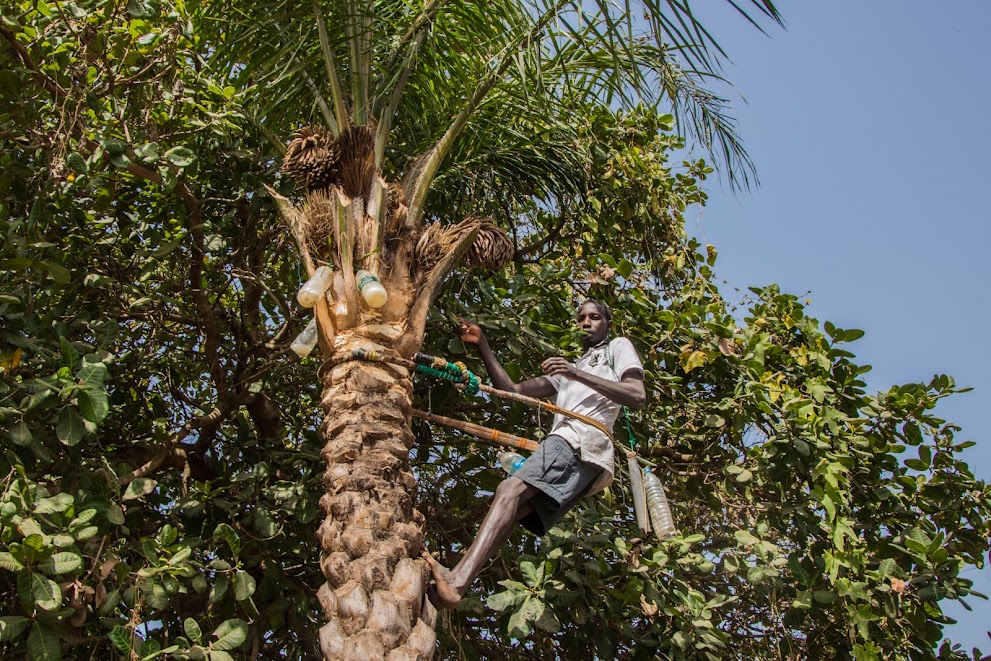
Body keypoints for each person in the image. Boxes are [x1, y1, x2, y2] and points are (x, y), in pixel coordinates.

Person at [423, 300, 646, 608]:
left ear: (608, 323)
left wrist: (574, 374)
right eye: (581, 317)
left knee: (508, 489)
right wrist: (482, 343)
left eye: (595, 317)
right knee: (513, 510)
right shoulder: (570, 370)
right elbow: (511, 389)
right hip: (581, 455)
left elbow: (636, 395)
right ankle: (457, 584)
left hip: (579, 440)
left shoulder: (616, 348)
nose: (587, 322)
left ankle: (456, 581)